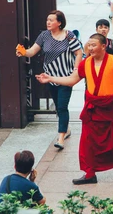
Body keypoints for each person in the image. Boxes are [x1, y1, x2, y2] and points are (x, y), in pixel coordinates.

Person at [36, 33, 113, 185]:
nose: (90, 48)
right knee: (88, 141)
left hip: (112, 105)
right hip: (93, 107)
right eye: (89, 45)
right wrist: (51, 78)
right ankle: (90, 173)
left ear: (103, 46)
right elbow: (71, 80)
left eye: (93, 45)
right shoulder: (85, 63)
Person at [16, 10, 83, 150]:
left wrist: (76, 69)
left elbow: (79, 53)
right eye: (47, 19)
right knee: (59, 106)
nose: (48, 22)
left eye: (51, 20)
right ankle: (66, 129)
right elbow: (32, 51)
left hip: (65, 78)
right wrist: (23, 52)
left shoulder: (68, 35)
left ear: (59, 22)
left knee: (62, 106)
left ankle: (61, 137)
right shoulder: (44, 35)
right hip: (49, 78)